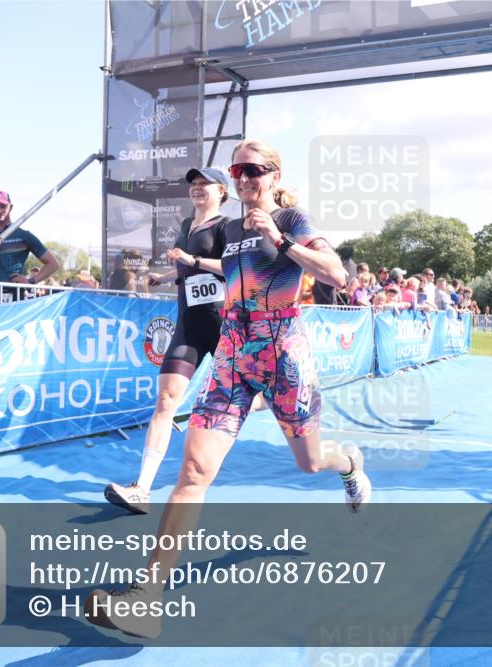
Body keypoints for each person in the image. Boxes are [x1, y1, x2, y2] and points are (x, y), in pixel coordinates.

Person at [86, 140, 370, 638]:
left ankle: (347, 462)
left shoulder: (293, 220)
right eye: (236, 171)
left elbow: (336, 275)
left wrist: (281, 242)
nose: (241, 179)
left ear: (275, 175)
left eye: (252, 170)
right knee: (194, 469)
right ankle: (147, 597)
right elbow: (217, 271)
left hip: (284, 355)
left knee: (309, 461)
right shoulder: (231, 227)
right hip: (234, 356)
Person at [104, 167, 230, 513]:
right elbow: (187, 270)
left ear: (223, 191)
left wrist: (193, 260)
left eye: (205, 184)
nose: (197, 188)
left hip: (224, 327)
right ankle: (141, 489)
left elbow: (235, 268)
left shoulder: (226, 227)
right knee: (166, 402)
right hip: (188, 326)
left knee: (254, 397)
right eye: (193, 184)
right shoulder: (186, 228)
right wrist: (165, 276)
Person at [0, 190, 60, 303]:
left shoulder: (23, 236)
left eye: (3, 206)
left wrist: (31, 281)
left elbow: (53, 264)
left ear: (10, 207)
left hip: (15, 299)